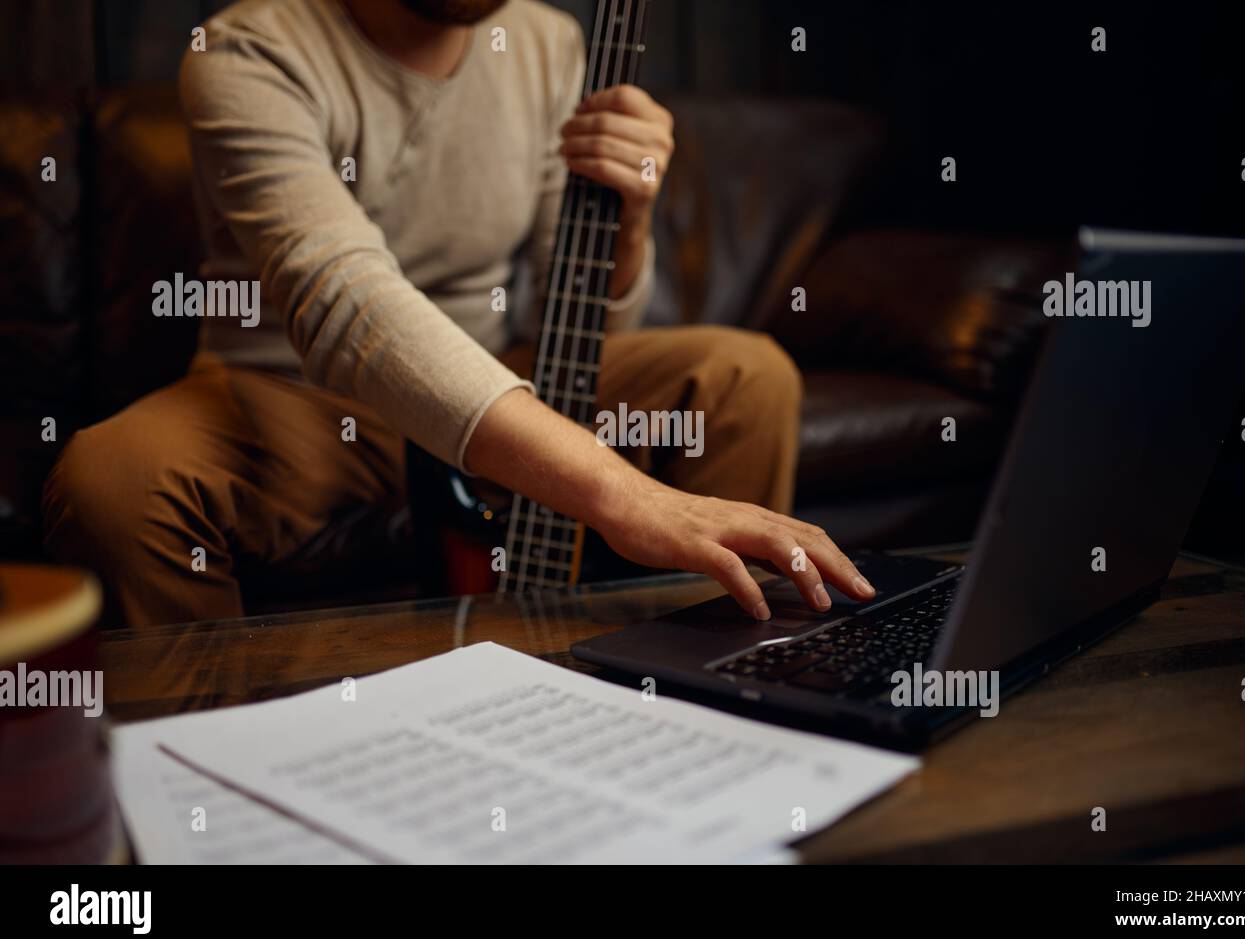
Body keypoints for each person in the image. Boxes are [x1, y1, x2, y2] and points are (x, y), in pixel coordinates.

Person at [43, 0, 875, 627]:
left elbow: (584, 329)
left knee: (745, 373)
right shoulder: (248, 49)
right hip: (296, 392)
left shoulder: (547, 42)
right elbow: (340, 299)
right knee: (113, 478)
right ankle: (216, 773)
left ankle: (706, 685)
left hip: (506, 368)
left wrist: (633, 214)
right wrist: (624, 495)